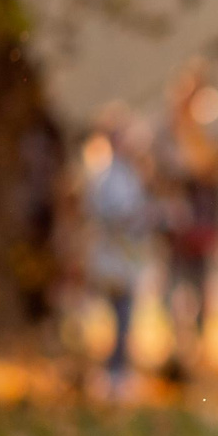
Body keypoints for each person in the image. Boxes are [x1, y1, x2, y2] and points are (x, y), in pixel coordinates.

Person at [158, 63, 218, 383]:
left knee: (198, 290)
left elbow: (212, 173)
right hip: (176, 230)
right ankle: (177, 344)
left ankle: (196, 347)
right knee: (173, 289)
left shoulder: (212, 132)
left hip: (200, 228)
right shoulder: (168, 135)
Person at [81, 107, 154, 399]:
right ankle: (114, 373)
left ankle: (117, 371)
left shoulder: (126, 173)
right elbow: (113, 215)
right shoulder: (107, 174)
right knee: (119, 317)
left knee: (124, 318)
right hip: (114, 257)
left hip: (124, 257)